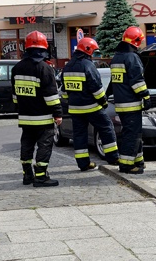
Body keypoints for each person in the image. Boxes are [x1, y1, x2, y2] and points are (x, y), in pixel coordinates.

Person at [11, 31, 61, 187]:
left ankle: (27, 175)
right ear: (44, 48)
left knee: (26, 145)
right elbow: (51, 95)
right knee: (44, 145)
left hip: (25, 117)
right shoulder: (44, 69)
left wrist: (22, 108)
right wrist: (58, 114)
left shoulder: (17, 68)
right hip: (43, 117)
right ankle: (40, 177)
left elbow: (15, 96)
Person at [63, 37, 119, 170]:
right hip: (92, 107)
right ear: (87, 50)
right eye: (93, 51)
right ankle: (113, 157)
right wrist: (104, 102)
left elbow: (65, 92)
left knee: (79, 135)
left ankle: (83, 164)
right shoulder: (88, 66)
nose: (94, 54)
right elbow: (97, 88)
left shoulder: (68, 66)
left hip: (75, 109)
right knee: (106, 128)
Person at [111, 26, 150, 174]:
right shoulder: (132, 57)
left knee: (134, 133)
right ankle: (127, 165)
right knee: (132, 135)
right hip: (131, 104)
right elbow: (137, 81)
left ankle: (138, 161)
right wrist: (145, 96)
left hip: (121, 103)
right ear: (137, 41)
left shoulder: (117, 58)